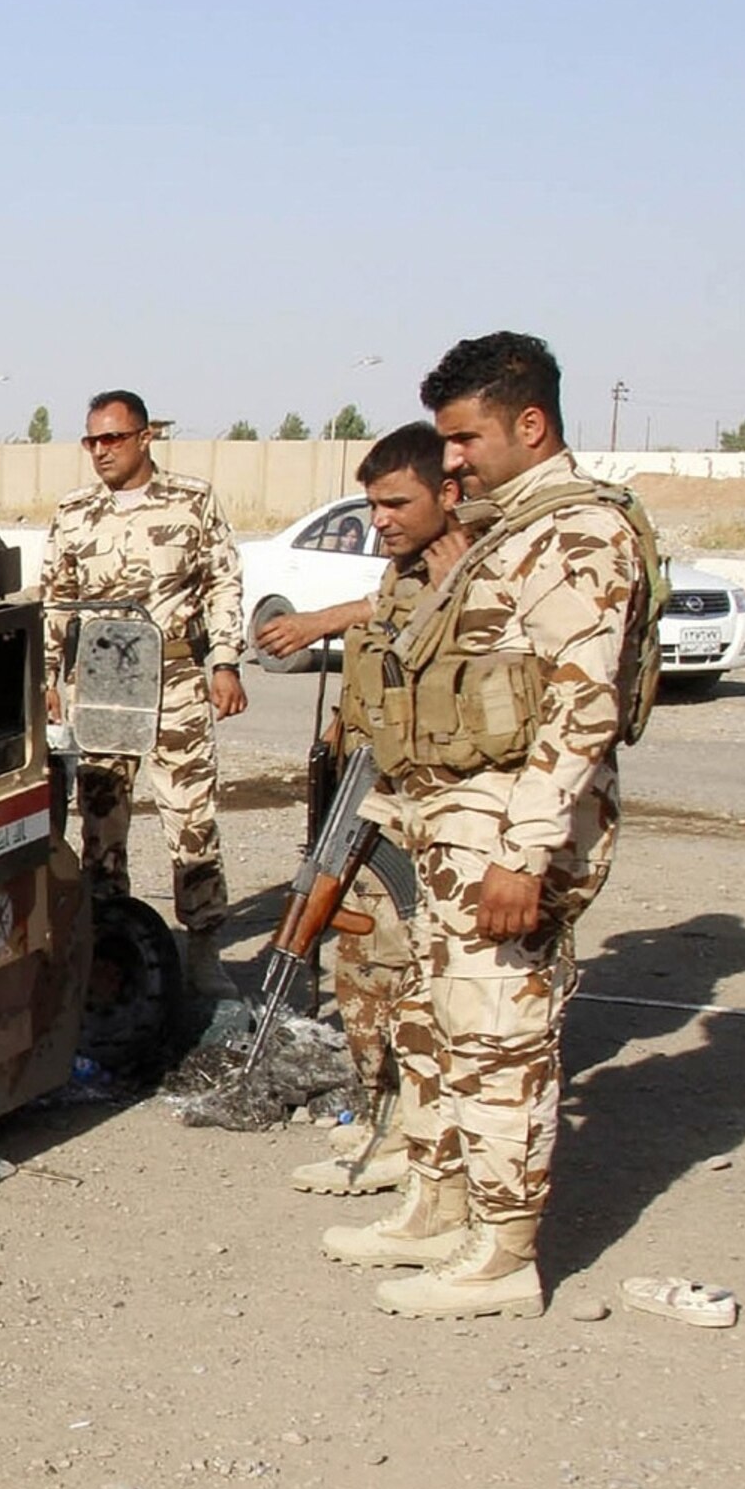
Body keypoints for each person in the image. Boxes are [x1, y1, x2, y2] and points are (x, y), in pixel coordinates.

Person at [321, 333, 648, 1320]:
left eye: (464, 439)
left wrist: (525, 853)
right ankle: (439, 1205)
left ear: (530, 424)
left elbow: (581, 704)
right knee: (436, 1021)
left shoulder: (579, 534)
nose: (449, 458)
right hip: (452, 826)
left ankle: (505, 1254)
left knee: (499, 1033)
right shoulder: (507, 532)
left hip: (507, 834)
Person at [281, 423, 463, 1196]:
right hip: (368, 798)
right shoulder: (406, 573)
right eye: (372, 503)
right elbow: (381, 623)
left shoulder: (469, 574)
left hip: (421, 815)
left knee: (414, 980)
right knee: (360, 968)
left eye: (396, 502)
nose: (379, 519)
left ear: (447, 495)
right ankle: (383, 1119)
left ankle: (422, 1140)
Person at [39, 390, 247, 995]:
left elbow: (224, 583)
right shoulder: (76, 511)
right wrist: (47, 679)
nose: (101, 451)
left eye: (113, 439)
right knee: (101, 822)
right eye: (91, 441)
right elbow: (55, 597)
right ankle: (110, 952)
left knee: (191, 819)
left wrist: (226, 662)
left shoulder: (191, 500)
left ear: (145, 436)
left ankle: (204, 949)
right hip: (103, 683)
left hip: (176, 677)